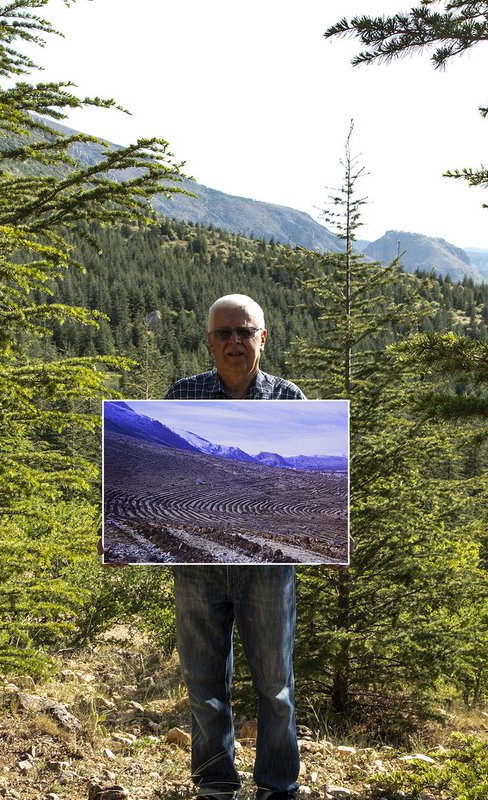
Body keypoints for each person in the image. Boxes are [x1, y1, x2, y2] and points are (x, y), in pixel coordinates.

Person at [165, 294, 304, 800]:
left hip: (268, 567)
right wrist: (119, 521)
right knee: (204, 687)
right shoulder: (183, 394)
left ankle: (277, 787)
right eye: (223, 333)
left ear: (262, 338)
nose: (234, 342)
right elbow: (163, 479)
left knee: (276, 687)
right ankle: (216, 788)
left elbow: (303, 489)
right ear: (209, 341)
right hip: (197, 563)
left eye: (244, 332)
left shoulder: (290, 399)